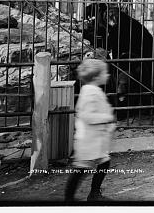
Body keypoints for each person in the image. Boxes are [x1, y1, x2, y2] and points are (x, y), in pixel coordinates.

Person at [65, 59, 115, 203]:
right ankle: (69, 199)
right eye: (105, 73)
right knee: (81, 169)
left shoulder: (92, 90)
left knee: (103, 163)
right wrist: (107, 118)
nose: (108, 75)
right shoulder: (90, 92)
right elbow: (87, 116)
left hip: (95, 139)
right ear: (96, 77)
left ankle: (94, 193)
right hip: (88, 139)